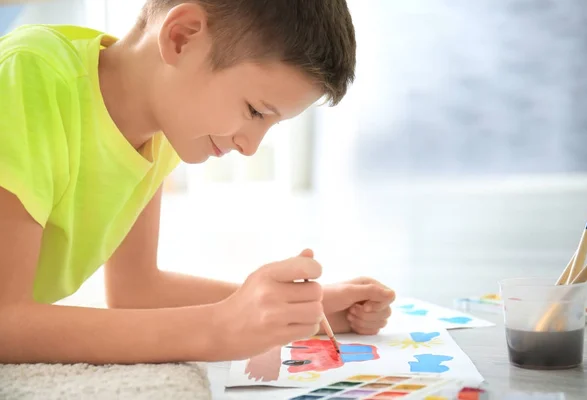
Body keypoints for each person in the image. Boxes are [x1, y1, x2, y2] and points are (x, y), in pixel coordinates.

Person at [0, 0, 395, 365]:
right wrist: (217, 329)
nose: (250, 146)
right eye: (255, 111)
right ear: (182, 37)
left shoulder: (161, 128)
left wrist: (303, 310)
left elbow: (136, 291)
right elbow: (5, 323)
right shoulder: (30, 74)